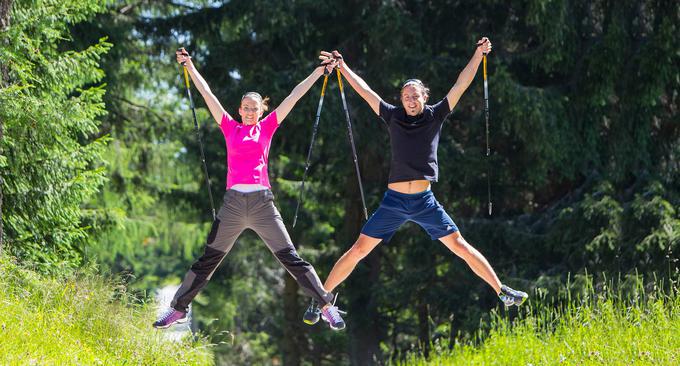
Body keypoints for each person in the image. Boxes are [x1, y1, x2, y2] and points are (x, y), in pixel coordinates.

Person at [303, 38, 527, 325]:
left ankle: (501, 290)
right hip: (394, 202)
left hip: (424, 202)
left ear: (424, 96)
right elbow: (366, 92)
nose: (410, 100)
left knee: (459, 245)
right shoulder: (393, 116)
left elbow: (461, 84)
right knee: (358, 249)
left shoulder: (435, 115)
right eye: (406, 96)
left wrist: (477, 55)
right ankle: (321, 299)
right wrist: (342, 68)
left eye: (415, 96)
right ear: (401, 99)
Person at [154, 49, 346, 331]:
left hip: (261, 204)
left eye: (254, 108)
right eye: (245, 107)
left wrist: (319, 73)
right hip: (232, 205)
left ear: (262, 110)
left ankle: (326, 306)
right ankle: (178, 309)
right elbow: (208, 95)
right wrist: (190, 67)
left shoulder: (267, 128)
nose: (249, 112)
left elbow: (294, 96)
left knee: (291, 258)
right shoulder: (229, 127)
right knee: (208, 260)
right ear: (239, 108)